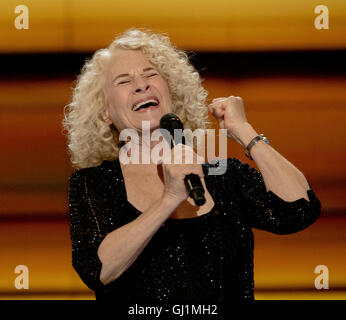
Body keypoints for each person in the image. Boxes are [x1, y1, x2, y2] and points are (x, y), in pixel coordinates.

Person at [62, 28, 321, 304]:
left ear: (171, 92)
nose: (141, 85)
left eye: (150, 75)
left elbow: (299, 211)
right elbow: (98, 269)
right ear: (104, 113)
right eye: (124, 81)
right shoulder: (92, 183)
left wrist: (244, 131)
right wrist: (169, 199)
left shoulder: (223, 174)